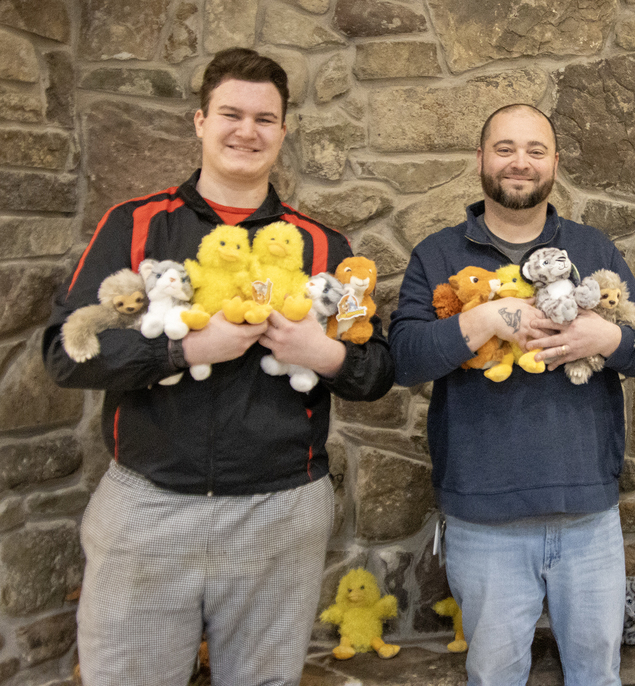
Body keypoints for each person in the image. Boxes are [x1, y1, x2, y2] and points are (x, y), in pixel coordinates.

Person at [42, 48, 394, 686]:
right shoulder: (135, 225)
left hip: (282, 509)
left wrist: (322, 353)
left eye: (265, 119)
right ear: (200, 122)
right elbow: (65, 353)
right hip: (147, 504)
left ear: (283, 133)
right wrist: (185, 350)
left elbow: (375, 371)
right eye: (231, 113)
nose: (247, 131)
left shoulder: (326, 246)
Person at [388, 104, 635, 686]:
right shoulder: (438, 254)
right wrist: (482, 321)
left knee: (597, 678)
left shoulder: (596, 249)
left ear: (555, 163)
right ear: (481, 158)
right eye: (505, 148)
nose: (520, 162)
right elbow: (403, 359)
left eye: (535, 150)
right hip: (484, 524)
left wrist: (606, 337)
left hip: (589, 520)